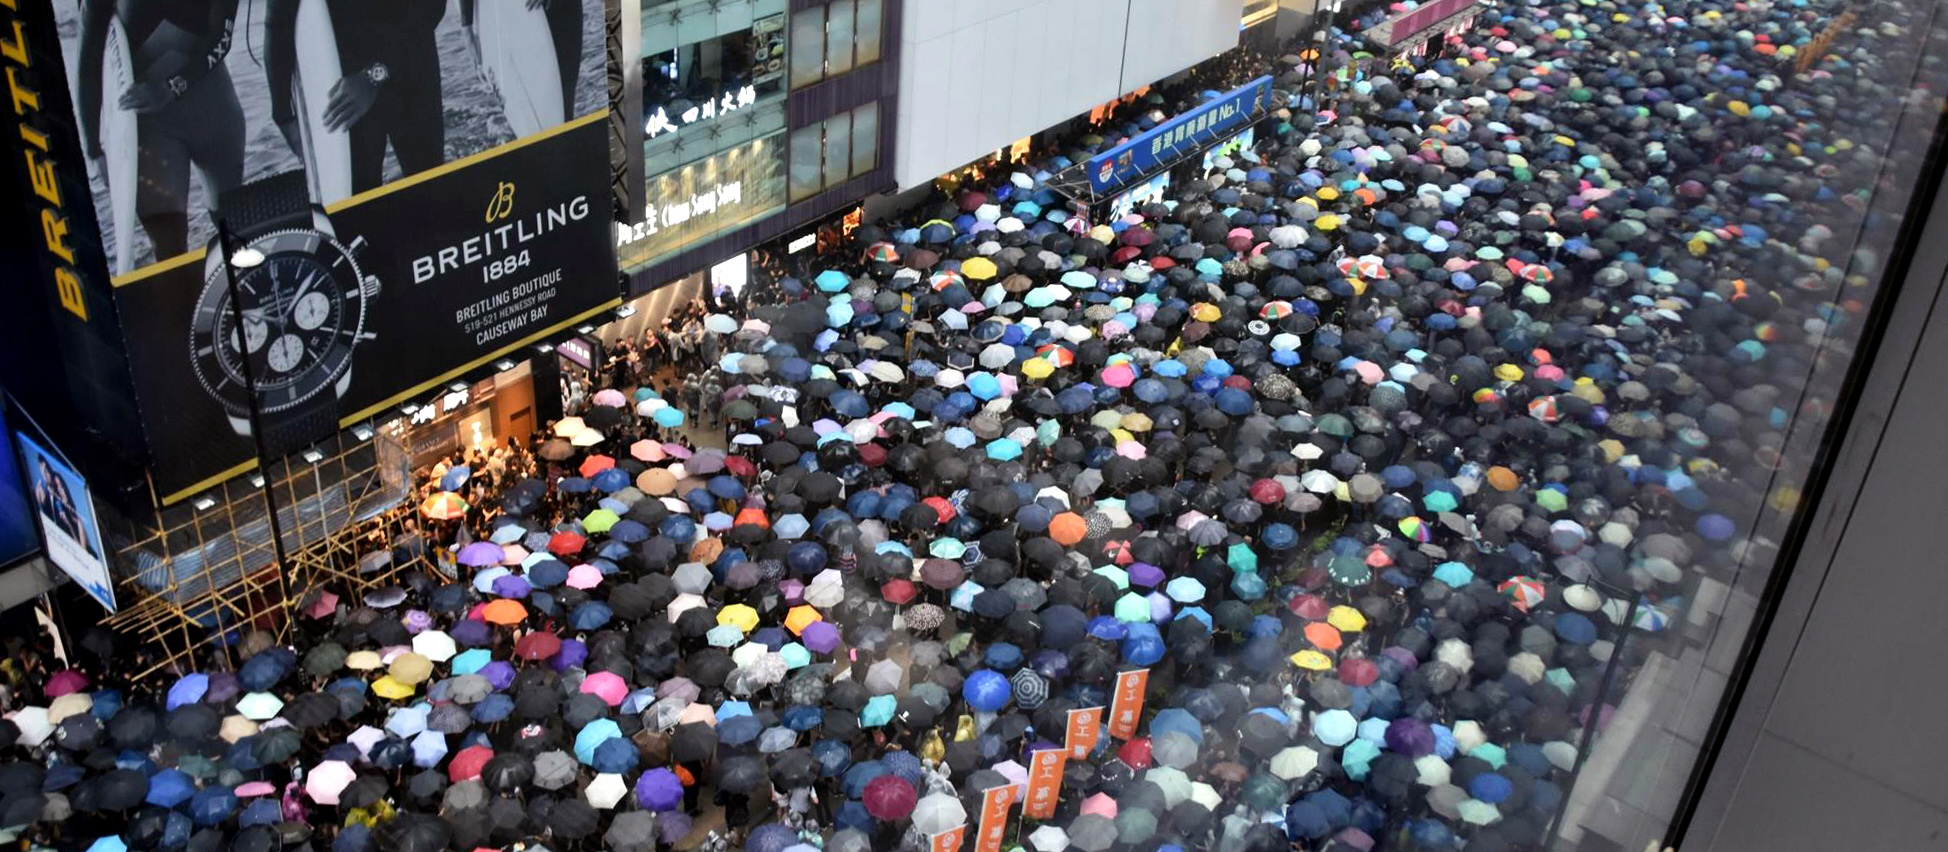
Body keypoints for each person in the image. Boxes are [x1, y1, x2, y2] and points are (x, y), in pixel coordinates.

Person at [76, 0, 246, 261]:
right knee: (170, 248)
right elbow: (89, 60)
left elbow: (222, 37)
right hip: (152, 126)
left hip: (213, 111)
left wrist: (171, 87)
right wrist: (94, 149)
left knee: (232, 225)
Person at [265, 0, 447, 193]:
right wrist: (283, 114)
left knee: (429, 183)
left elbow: (431, 6)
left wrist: (374, 75)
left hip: (409, 64)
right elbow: (278, 21)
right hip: (342, 84)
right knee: (358, 199)